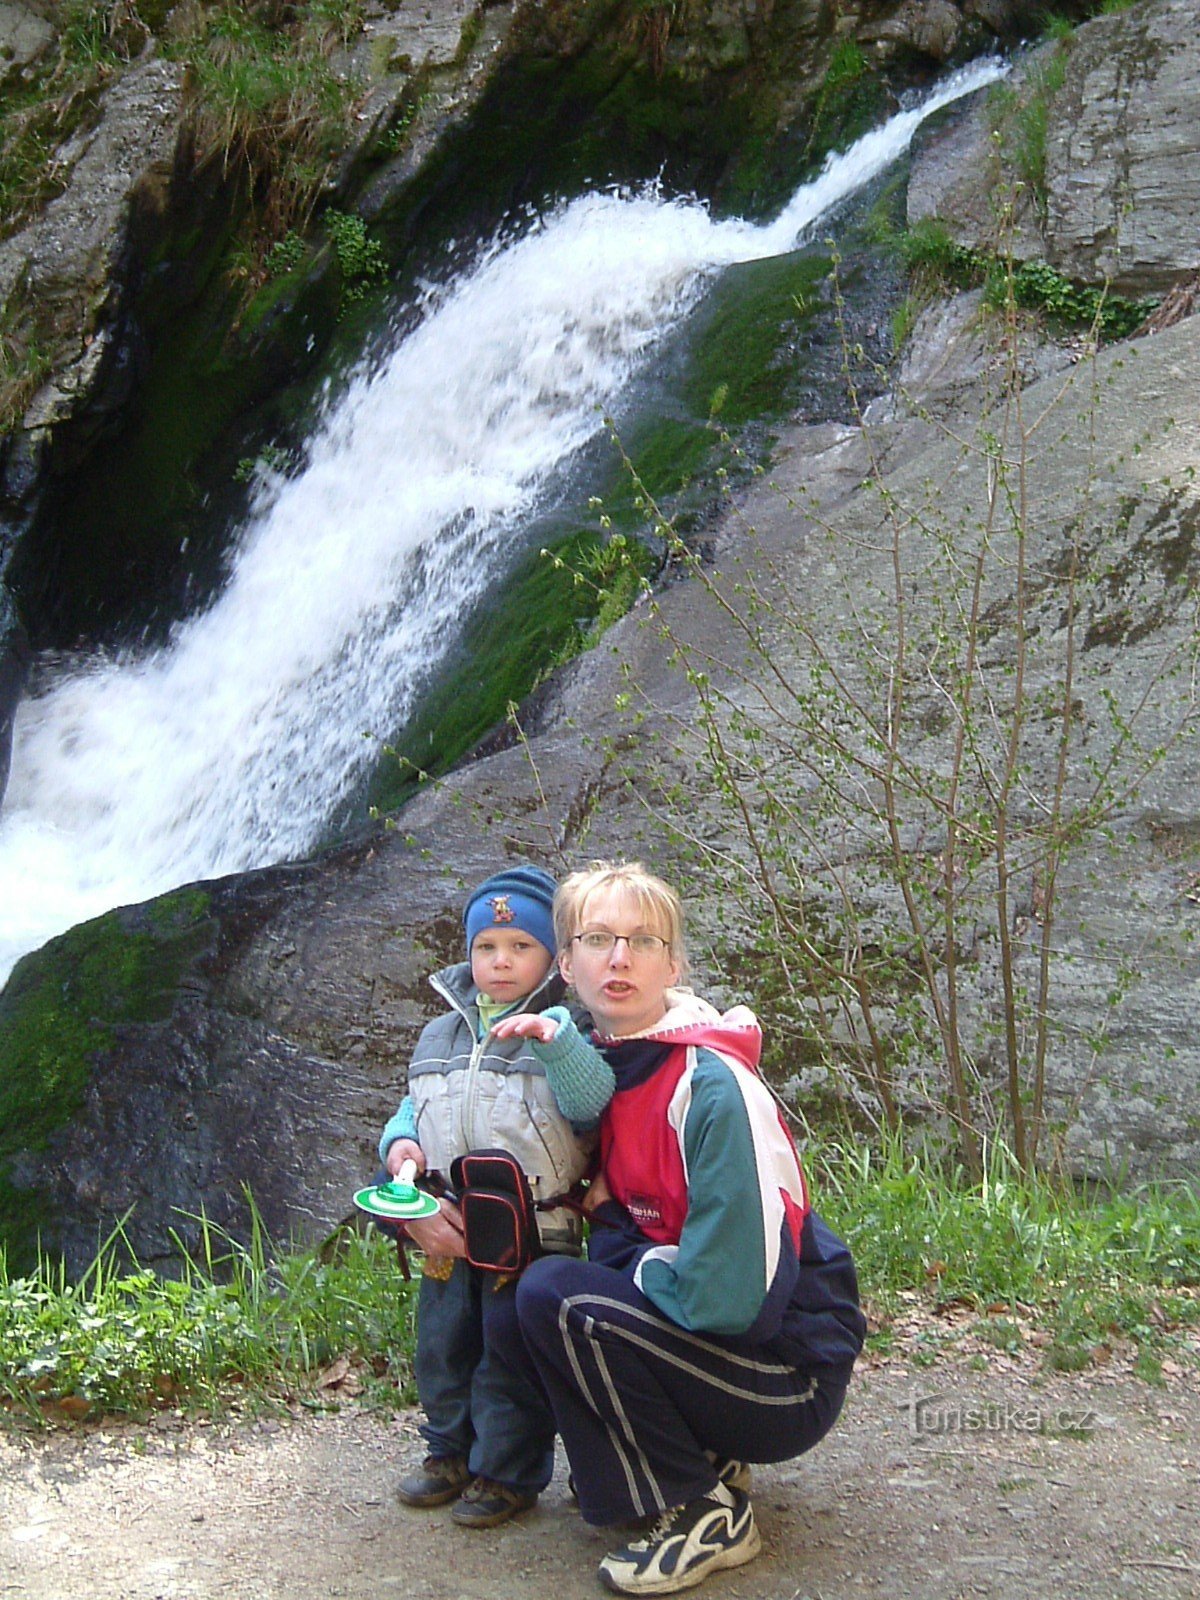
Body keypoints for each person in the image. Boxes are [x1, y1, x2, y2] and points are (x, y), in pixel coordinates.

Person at [490, 859, 866, 1595]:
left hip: (784, 1377)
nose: (620, 957)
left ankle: (702, 1509)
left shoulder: (711, 1087)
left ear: (675, 964)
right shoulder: (609, 1067)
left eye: (644, 940)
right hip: (726, 1349)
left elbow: (730, 1296)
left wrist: (625, 1253)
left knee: (559, 1299)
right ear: (566, 964)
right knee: (517, 1308)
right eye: (598, 938)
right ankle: (690, 1462)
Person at [378, 864, 607, 1529]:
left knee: (511, 1353)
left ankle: (507, 1472)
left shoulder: (567, 1028)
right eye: (486, 947)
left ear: (552, 960)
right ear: (467, 953)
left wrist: (558, 1043)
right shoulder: (439, 1034)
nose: (500, 962)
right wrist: (400, 1148)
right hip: (448, 1220)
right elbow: (411, 1105)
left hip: (532, 1228)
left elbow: (590, 1106)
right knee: (444, 1343)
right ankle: (449, 1452)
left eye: (519, 948)